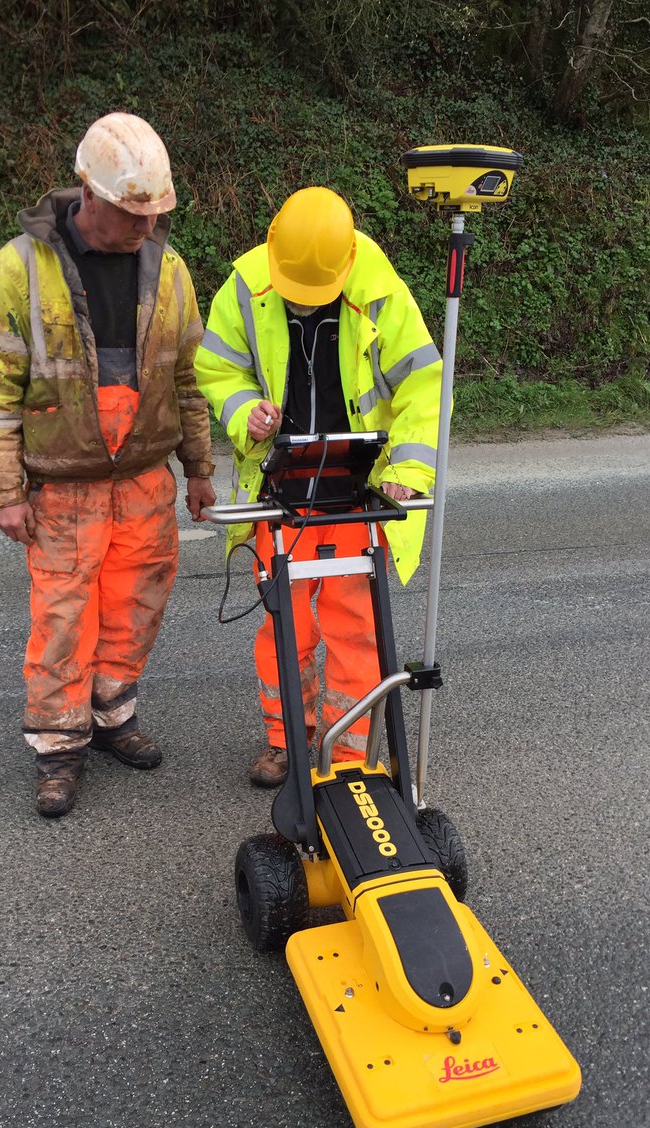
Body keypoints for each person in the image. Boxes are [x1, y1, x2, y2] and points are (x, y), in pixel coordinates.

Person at [0, 112, 216, 818]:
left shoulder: (167, 268)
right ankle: (57, 746)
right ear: (88, 192)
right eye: (132, 213)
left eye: (155, 214)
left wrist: (198, 469)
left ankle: (111, 716)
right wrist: (6, 490)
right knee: (63, 618)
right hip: (64, 484)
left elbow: (190, 379)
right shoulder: (17, 269)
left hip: (143, 479)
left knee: (134, 609)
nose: (145, 227)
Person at [195, 186, 441, 787]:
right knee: (283, 620)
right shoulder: (247, 287)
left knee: (355, 621)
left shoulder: (381, 293)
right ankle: (287, 741)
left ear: (346, 263)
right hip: (282, 478)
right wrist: (245, 408)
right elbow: (215, 366)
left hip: (358, 480)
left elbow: (423, 390)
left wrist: (408, 475)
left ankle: (350, 753)